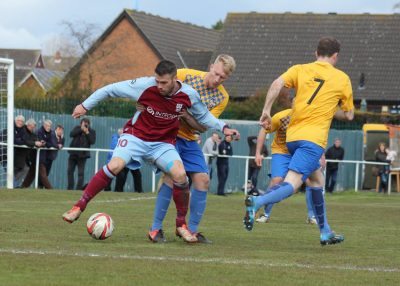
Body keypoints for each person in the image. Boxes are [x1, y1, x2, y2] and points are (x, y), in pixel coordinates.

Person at [61, 60, 239, 245]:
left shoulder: (189, 94)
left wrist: (224, 127)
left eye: (164, 83)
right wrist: (85, 105)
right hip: (136, 137)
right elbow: (110, 89)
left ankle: (181, 225)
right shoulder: (145, 85)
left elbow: (204, 118)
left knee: (180, 175)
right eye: (157, 81)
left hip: (162, 143)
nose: (159, 86)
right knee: (115, 165)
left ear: (174, 80)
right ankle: (79, 207)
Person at [244, 37, 354, 246]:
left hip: (293, 138)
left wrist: (266, 110)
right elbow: (348, 115)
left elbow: (277, 83)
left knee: (316, 181)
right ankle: (256, 202)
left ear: (316, 53)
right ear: (336, 56)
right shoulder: (342, 79)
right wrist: (333, 109)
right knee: (292, 184)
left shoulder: (300, 69)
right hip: (313, 140)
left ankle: (325, 232)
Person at [149, 54, 237, 243]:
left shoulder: (222, 97)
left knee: (203, 180)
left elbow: (203, 126)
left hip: (190, 140)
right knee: (173, 178)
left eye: (222, 77)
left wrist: (186, 115)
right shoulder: (186, 75)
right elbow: (158, 87)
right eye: (216, 73)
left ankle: (191, 231)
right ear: (211, 66)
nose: (217, 79)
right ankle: (155, 229)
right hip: (169, 135)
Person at [254, 109, 317, 224]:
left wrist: (321, 155)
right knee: (276, 180)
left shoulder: (309, 117)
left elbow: (316, 137)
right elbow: (264, 130)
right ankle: (265, 214)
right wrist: (258, 152)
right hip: (281, 152)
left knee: (310, 181)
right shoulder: (281, 117)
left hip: (300, 152)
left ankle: (311, 216)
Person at [67, 118, 96, 190]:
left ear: (89, 124)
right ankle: (70, 188)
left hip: (83, 155)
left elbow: (92, 141)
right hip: (73, 154)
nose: (85, 125)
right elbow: (71, 134)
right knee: (70, 171)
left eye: (87, 123)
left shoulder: (92, 131)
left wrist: (87, 132)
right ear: (81, 123)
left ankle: (78, 189)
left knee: (81, 173)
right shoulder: (77, 128)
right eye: (84, 123)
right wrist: (81, 129)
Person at [20, 119, 46, 188]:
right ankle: (17, 186)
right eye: (32, 126)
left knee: (29, 171)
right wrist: (35, 143)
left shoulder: (33, 133)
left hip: (28, 156)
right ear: (28, 125)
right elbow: (25, 141)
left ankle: (21, 187)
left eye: (34, 127)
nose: (33, 128)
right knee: (23, 170)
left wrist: (41, 142)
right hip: (20, 155)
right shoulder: (23, 131)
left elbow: (35, 140)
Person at [34, 119, 59, 189]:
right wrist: (46, 144)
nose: (48, 127)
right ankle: (50, 189)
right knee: (43, 175)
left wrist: (46, 144)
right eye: (47, 126)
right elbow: (41, 143)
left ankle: (40, 187)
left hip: (49, 157)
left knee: (45, 174)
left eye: (50, 126)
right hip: (40, 156)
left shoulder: (52, 133)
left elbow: (53, 144)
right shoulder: (39, 131)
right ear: (44, 125)